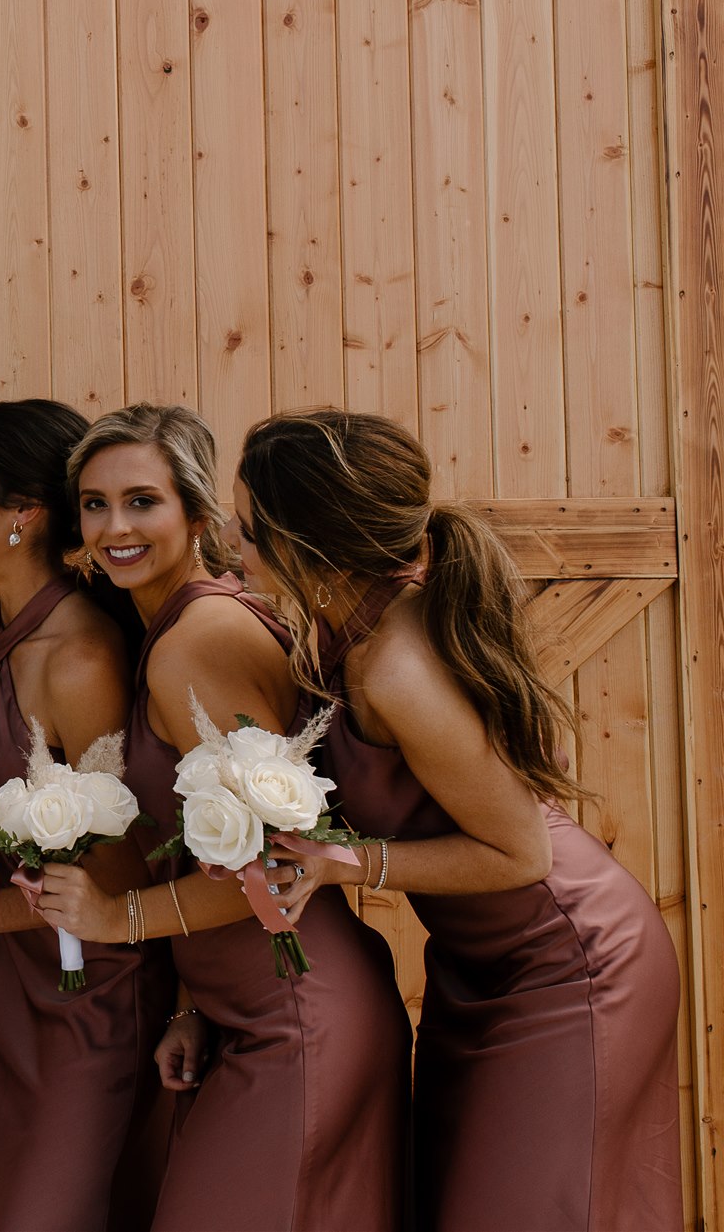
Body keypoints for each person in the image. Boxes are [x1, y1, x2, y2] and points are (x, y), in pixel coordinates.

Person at [235, 409, 681, 1230]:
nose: (236, 548)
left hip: (571, 966)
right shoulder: (345, 623)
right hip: (476, 970)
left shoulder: (396, 667)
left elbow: (522, 853)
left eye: (249, 530)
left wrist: (349, 863)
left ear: (312, 544)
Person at [32, 402, 408, 1232]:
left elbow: (272, 869)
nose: (114, 526)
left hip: (300, 1017)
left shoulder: (197, 640)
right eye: (94, 503)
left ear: (198, 513)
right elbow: (221, 840)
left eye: (142, 501)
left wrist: (113, 914)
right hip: (252, 1011)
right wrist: (193, 1003)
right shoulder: (178, 627)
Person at [0, 399, 169, 1230]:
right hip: (18, 980)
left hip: (94, 993)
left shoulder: (77, 657)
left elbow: (120, 874)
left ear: (23, 513)